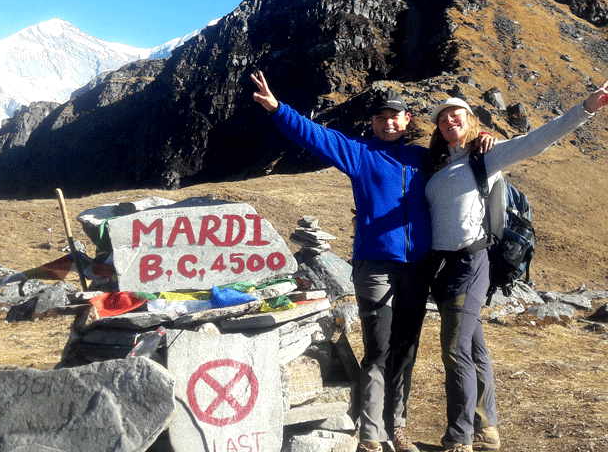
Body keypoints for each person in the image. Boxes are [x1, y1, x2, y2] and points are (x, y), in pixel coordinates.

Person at [251, 71, 494, 452]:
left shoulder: (422, 158)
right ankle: (370, 433)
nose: (388, 122)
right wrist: (278, 109)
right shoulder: (360, 154)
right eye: (381, 118)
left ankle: (395, 426)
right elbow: (316, 136)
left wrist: (482, 138)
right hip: (375, 268)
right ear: (374, 123)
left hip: (418, 269)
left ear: (406, 120)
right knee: (379, 349)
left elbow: (461, 156)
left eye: (395, 116)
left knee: (406, 350)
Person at [425, 79, 608, 452]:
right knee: (473, 349)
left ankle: (458, 438)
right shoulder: (439, 164)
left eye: (455, 115)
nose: (448, 122)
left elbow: (538, 139)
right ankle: (487, 430)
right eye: (442, 119)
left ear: (471, 119)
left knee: (455, 350)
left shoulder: (486, 156)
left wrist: (586, 108)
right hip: (441, 270)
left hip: (470, 263)